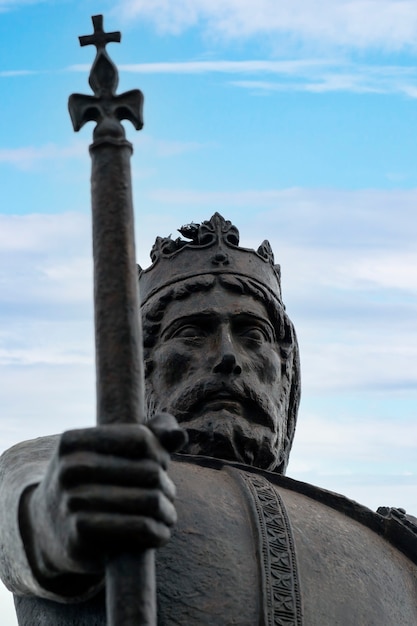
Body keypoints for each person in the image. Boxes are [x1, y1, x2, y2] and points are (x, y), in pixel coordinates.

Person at [0, 213, 416, 625]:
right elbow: (18, 513)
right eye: (192, 333)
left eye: (253, 335)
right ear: (142, 368)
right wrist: (51, 522)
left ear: (286, 372)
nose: (228, 358)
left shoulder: (388, 543)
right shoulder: (70, 465)